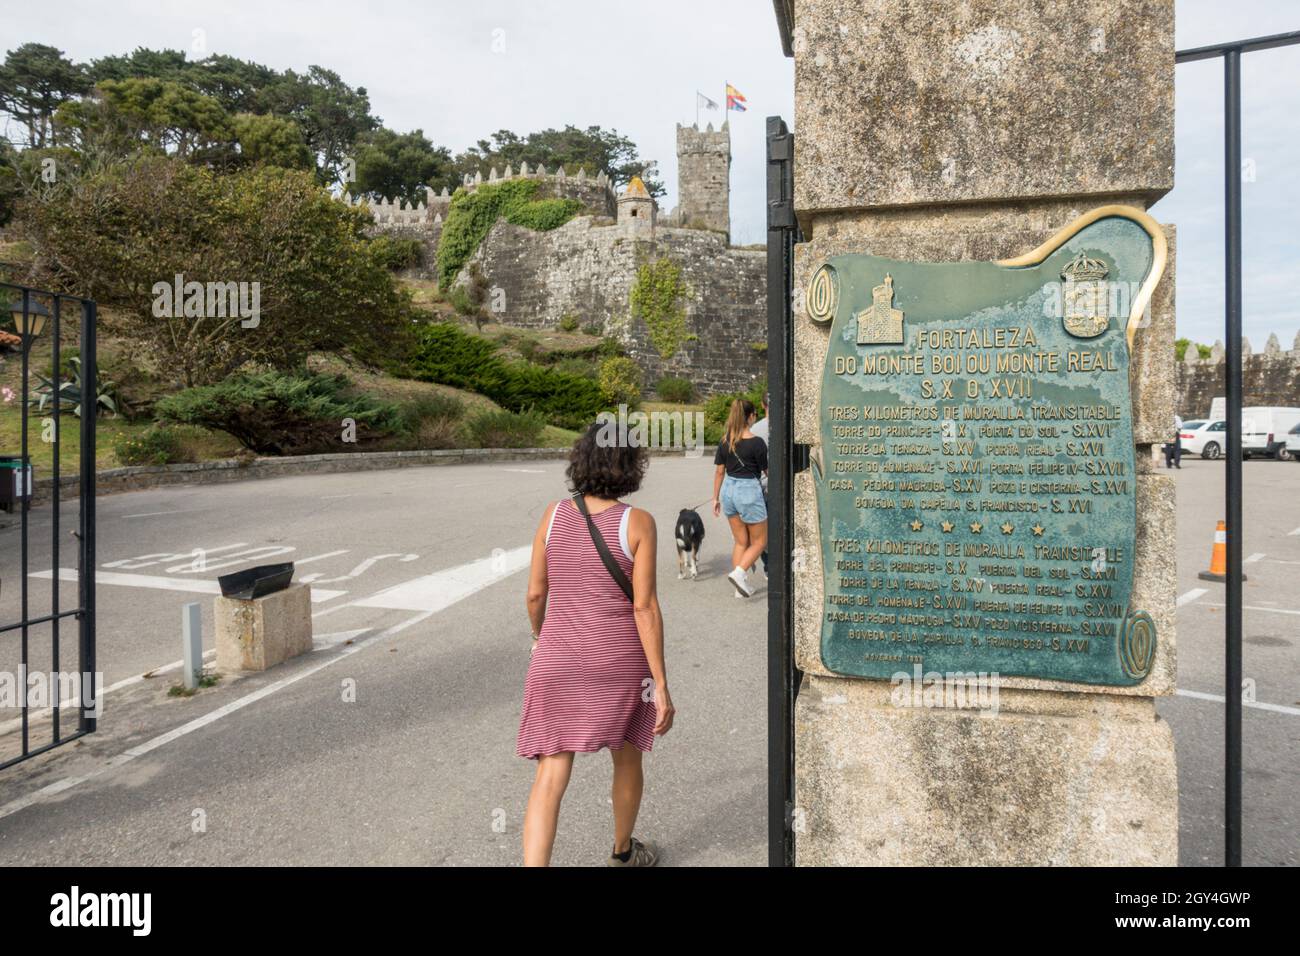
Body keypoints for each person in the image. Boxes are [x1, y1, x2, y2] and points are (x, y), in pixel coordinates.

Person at [516, 422, 675, 867]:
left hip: (556, 657)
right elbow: (644, 607)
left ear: (581, 460)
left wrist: (538, 636)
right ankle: (623, 853)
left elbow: (534, 593)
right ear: (630, 466)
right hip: (620, 662)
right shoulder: (638, 522)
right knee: (626, 756)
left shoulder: (553, 516)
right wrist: (661, 683)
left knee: (550, 772)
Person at [712, 398, 768, 598]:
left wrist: (715, 498)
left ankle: (739, 587)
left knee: (741, 541)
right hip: (748, 492)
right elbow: (767, 471)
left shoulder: (725, 440)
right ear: (751, 416)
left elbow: (719, 472)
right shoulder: (757, 443)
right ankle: (739, 573)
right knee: (760, 541)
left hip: (728, 490)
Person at [749, 393, 771, 577]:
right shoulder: (788, 426)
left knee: (762, 531)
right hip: (782, 484)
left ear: (763, 405)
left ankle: (769, 567)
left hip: (761, 486)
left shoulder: (755, 429)